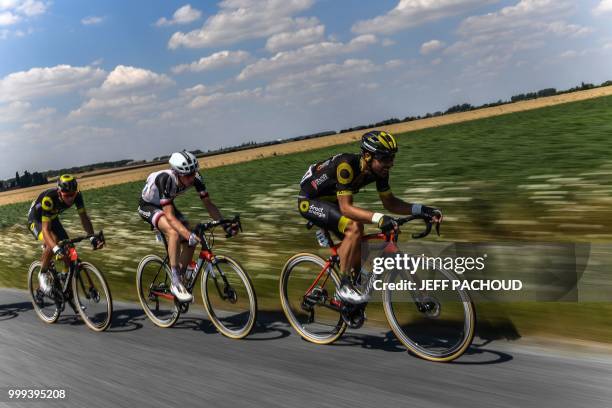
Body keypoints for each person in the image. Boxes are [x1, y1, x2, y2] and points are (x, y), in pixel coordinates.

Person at [297, 130, 443, 304]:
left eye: (392, 158)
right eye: (385, 159)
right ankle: (344, 287)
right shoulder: (346, 166)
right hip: (310, 201)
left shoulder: (380, 170)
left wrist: (422, 210)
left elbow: (390, 203)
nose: (390, 164)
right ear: (367, 155)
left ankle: (351, 292)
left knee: (358, 249)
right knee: (355, 227)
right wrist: (380, 219)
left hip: (332, 202)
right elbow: (346, 208)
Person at [137, 150, 238, 303]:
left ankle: (182, 277)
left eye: (194, 173)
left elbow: (208, 204)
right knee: (175, 233)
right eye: (188, 175)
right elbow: (169, 216)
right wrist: (186, 233)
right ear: (177, 173)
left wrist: (225, 225)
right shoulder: (166, 179)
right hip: (148, 206)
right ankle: (176, 281)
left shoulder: (196, 178)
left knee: (193, 240)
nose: (192, 178)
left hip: (167, 205)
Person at [27, 174, 104, 295]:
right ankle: (42, 273)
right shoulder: (49, 199)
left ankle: (65, 275)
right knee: (54, 240)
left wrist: (92, 237)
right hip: (36, 219)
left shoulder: (77, 195)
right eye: (66, 195)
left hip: (52, 217)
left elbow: (84, 218)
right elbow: (46, 230)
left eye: (72, 195)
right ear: (59, 192)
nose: (70, 199)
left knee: (71, 251)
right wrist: (56, 248)